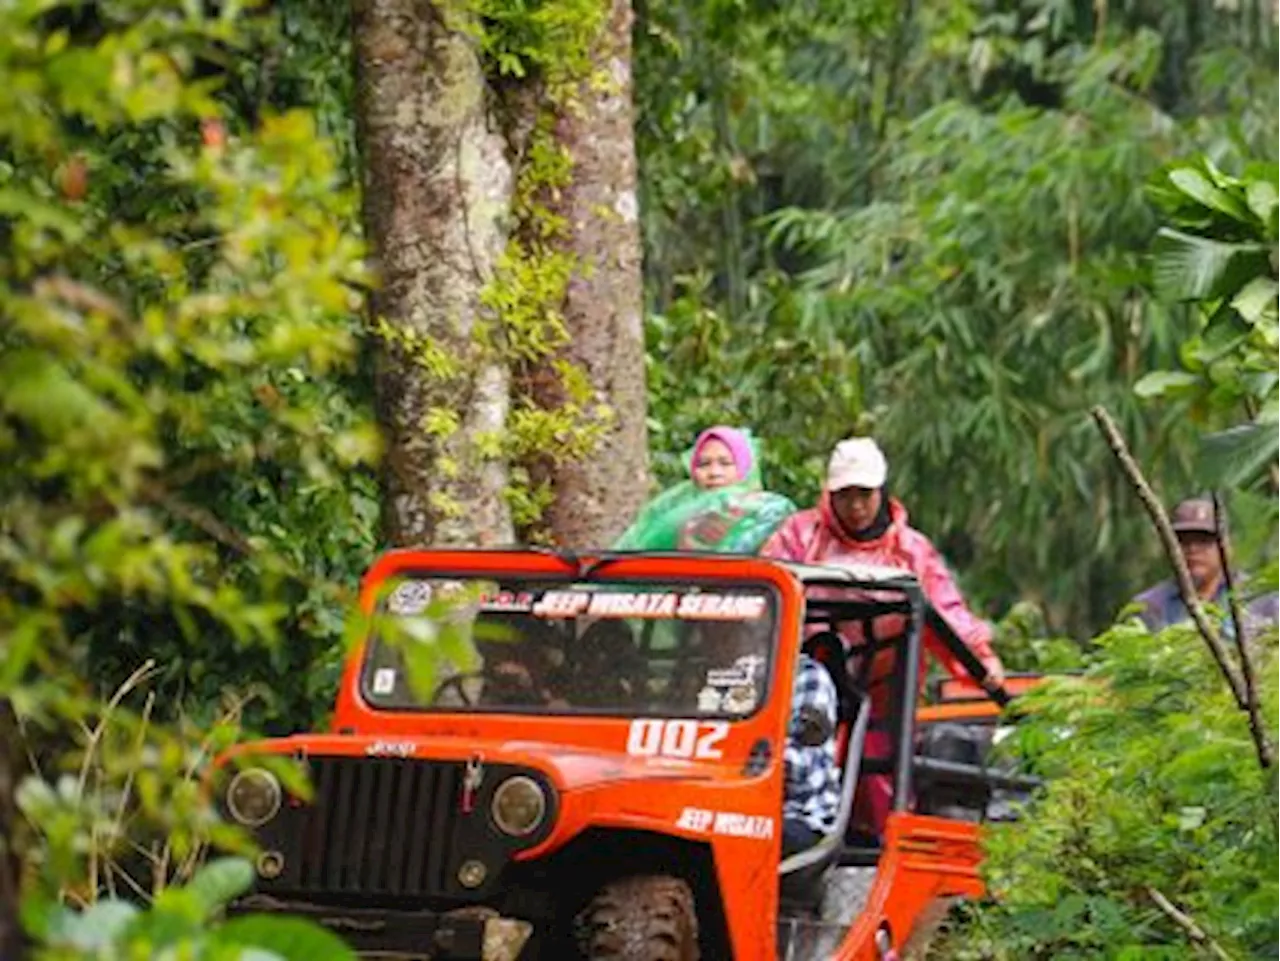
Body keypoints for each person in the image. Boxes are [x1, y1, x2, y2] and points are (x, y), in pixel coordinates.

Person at [759, 436, 1005, 839]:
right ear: (830, 494)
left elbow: (945, 610)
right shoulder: (799, 538)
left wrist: (979, 659)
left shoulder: (909, 550)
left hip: (884, 685)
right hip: (803, 680)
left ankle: (873, 851)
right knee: (791, 767)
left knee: (880, 789)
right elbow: (763, 597)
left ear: (881, 492)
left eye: (864, 495)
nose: (856, 507)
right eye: (846, 496)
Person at [690, 619, 840, 858]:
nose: (709, 641)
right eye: (706, 631)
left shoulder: (806, 677)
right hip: (714, 806)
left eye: (723, 632)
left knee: (716, 843)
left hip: (791, 813)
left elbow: (801, 771)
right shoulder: (715, 679)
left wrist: (733, 757)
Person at [614, 426, 796, 554]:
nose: (714, 473)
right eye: (704, 464)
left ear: (745, 468)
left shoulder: (769, 511)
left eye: (725, 464)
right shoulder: (670, 507)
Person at [1128, 496, 1280, 638]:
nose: (1193, 549)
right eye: (1183, 542)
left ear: (1226, 546)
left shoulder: (1261, 600)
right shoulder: (1150, 606)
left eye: (1204, 541)